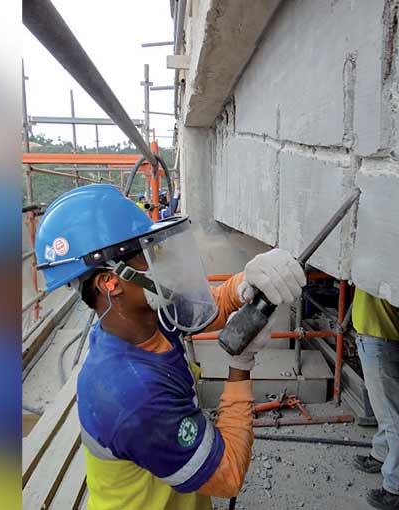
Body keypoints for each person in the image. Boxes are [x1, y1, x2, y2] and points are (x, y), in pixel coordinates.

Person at [35, 184, 306, 510]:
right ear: (110, 282)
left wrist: (246, 283)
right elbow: (228, 475)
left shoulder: (136, 319)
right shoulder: (132, 393)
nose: (158, 263)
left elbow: (207, 309)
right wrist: (242, 365)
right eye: (143, 255)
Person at [351, 288, 399, 509]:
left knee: (393, 417)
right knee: (383, 411)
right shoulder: (365, 269)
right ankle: (380, 454)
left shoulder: (380, 267)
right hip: (371, 340)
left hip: (379, 342)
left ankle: (398, 484)